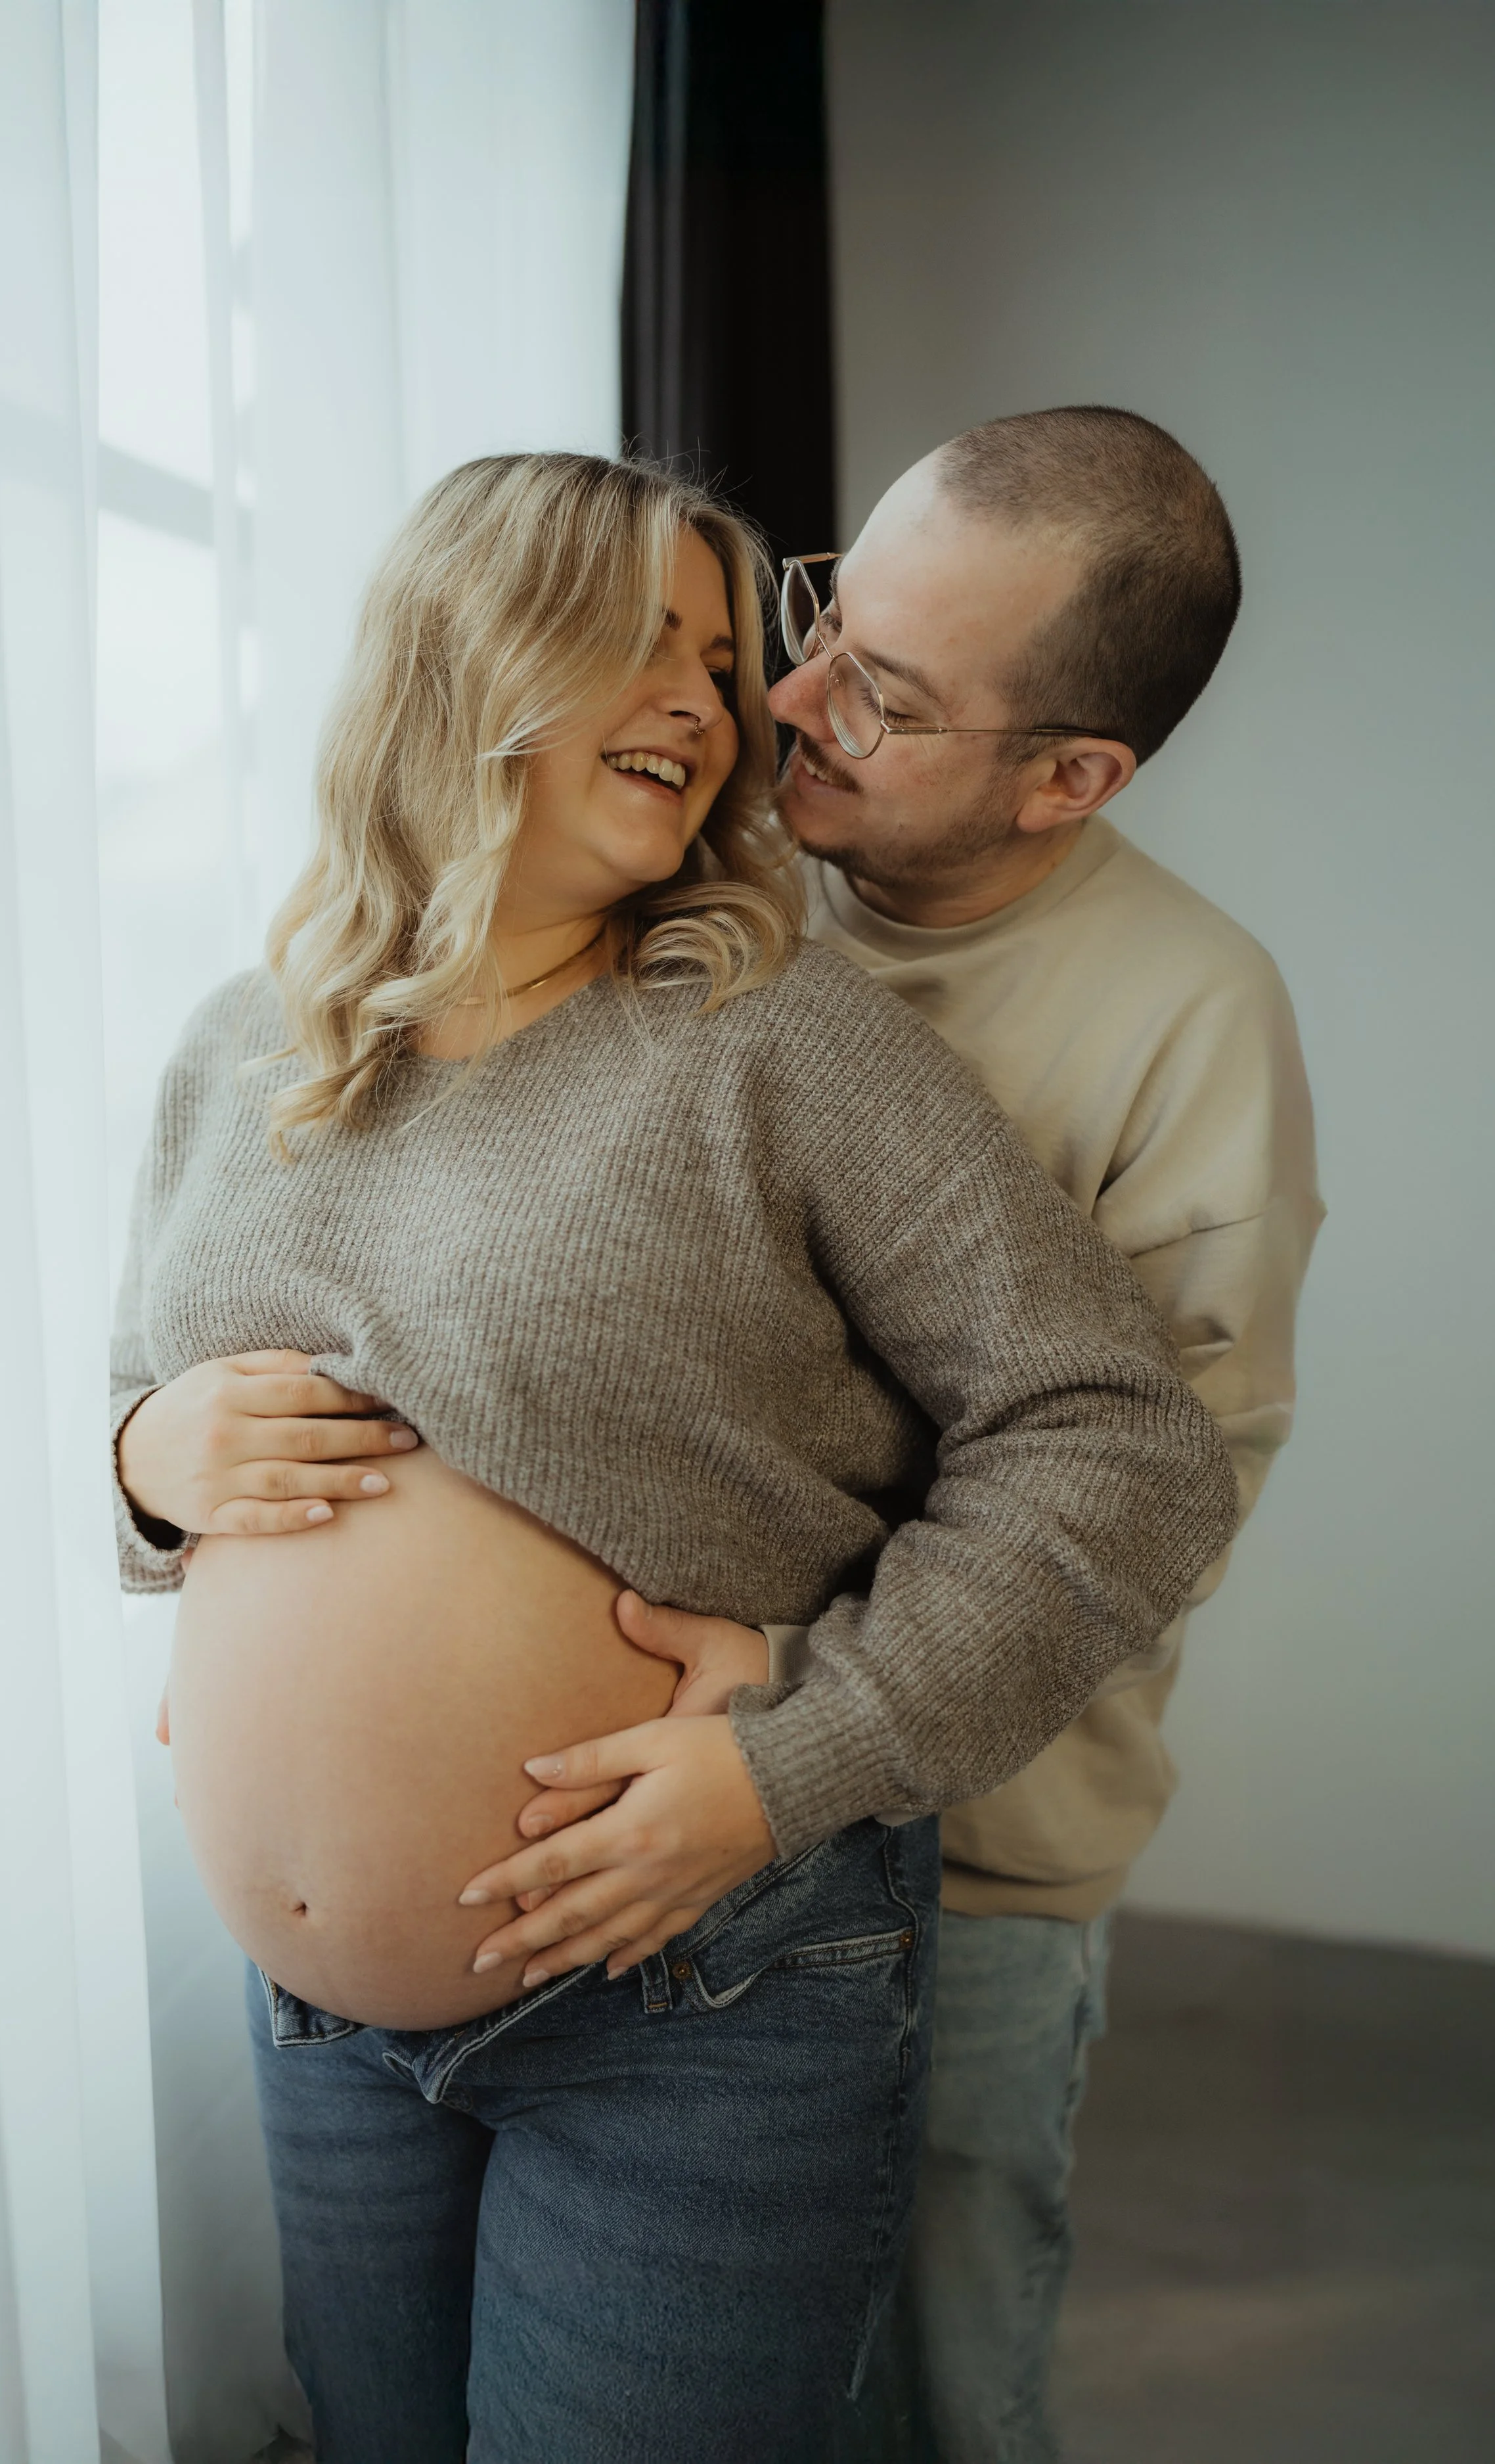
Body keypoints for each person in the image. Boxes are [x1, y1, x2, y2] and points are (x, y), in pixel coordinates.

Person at [110, 451, 1237, 2463]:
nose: (713, 700)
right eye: (641, 633)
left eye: (722, 655)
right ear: (461, 655)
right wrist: (141, 1454)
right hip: (323, 2031)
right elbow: (169, 1436)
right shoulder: (243, 1040)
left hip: (694, 1991)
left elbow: (1117, 1445)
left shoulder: (768, 1031)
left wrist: (787, 1756)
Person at [628, 404, 1318, 2461]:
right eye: (826, 603)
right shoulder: (694, 865)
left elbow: (1147, 1503)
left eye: (891, 698)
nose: (790, 691)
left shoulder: (1190, 1017)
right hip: (645, 1823)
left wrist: (801, 1738)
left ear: (1071, 777)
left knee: (921, 2395)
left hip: (968, 1865)